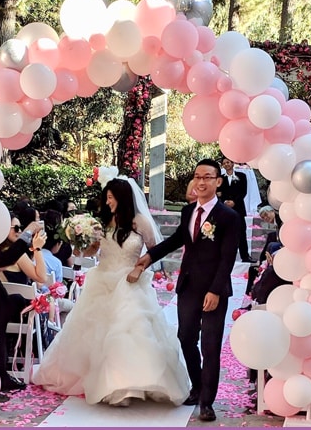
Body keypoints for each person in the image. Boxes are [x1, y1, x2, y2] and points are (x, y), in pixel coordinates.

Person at [34, 177, 190, 407]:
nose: (107, 202)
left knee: (128, 331)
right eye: (106, 198)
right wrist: (80, 242)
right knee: (96, 334)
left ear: (121, 198)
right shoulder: (103, 223)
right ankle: (106, 382)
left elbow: (155, 250)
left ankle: (128, 383)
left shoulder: (140, 222)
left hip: (129, 281)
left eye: (110, 198)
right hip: (103, 280)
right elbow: (92, 252)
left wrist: (140, 267)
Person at [134, 159, 244, 422]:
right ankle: (197, 386)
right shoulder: (187, 212)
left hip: (214, 290)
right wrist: (149, 257)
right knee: (185, 338)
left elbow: (228, 258)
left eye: (207, 177)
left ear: (218, 182)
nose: (201, 182)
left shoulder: (229, 217)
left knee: (210, 346)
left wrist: (216, 290)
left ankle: (207, 402)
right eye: (197, 177)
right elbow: (176, 240)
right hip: (188, 287)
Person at [0, 215, 46, 392]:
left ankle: (3, 374)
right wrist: (30, 239)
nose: (18, 231)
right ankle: (2, 376)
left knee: (13, 304)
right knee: (12, 306)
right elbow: (40, 277)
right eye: (15, 228)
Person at [217, 157, 253, 263]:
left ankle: (245, 256)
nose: (226, 164)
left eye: (228, 162)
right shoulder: (220, 178)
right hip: (224, 209)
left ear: (233, 163)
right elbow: (218, 192)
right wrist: (224, 202)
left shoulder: (242, 176)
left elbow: (243, 192)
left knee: (241, 232)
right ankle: (222, 256)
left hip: (238, 208)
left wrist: (234, 202)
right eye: (224, 163)